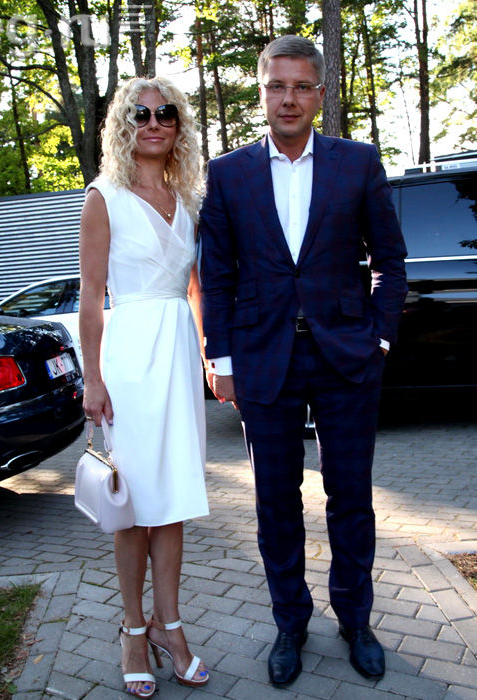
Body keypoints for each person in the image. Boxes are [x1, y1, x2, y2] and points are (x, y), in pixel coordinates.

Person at [199, 35, 408, 687]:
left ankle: (356, 619)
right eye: (276, 86)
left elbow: (391, 262)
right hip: (263, 360)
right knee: (274, 502)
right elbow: (217, 274)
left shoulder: (358, 162)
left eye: (300, 87)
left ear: (320, 93)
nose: (287, 98)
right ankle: (290, 622)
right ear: (261, 91)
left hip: (346, 358)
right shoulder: (227, 174)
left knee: (351, 497)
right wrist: (219, 357)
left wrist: (378, 339)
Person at [79, 76, 210, 698]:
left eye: (165, 113)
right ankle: (134, 631)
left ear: (179, 125)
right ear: (124, 125)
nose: (154, 122)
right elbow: (91, 295)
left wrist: (208, 356)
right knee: (132, 505)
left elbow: (194, 288)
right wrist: (93, 377)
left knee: (173, 499)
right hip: (129, 358)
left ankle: (170, 625)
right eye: (141, 113)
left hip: (178, 356)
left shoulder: (188, 199)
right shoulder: (103, 195)